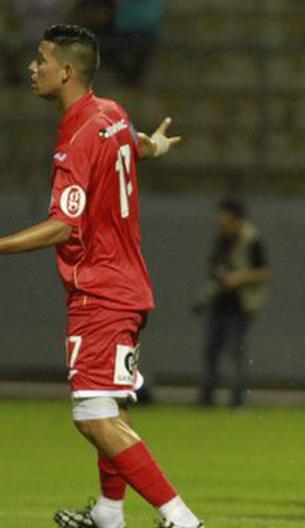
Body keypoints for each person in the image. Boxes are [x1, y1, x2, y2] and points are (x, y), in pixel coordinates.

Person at [0, 24, 203, 528]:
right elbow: (129, 141)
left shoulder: (76, 135)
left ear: (65, 70)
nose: (33, 67)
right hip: (126, 284)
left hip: (100, 291)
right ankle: (110, 514)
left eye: (41, 59)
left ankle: (181, 520)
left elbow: (63, 225)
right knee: (109, 406)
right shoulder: (108, 113)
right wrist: (153, 147)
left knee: (91, 414)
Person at [196, 197, 269, 408]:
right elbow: (212, 265)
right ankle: (206, 398)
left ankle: (238, 400)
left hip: (240, 305)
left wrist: (238, 278)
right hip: (220, 303)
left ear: (235, 217)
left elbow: (264, 273)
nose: (219, 218)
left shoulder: (251, 239)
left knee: (237, 353)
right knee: (211, 351)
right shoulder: (222, 238)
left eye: (224, 214)